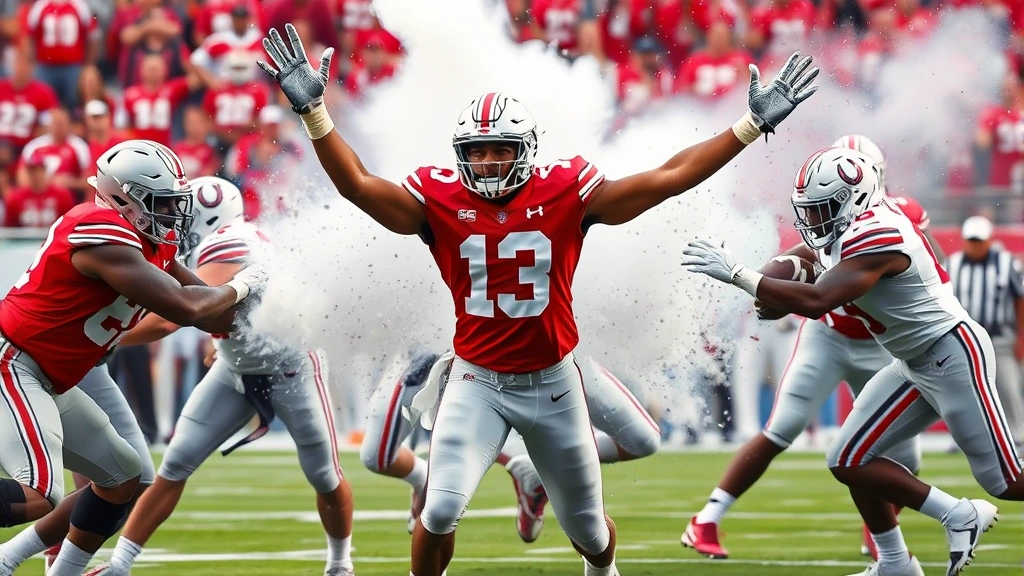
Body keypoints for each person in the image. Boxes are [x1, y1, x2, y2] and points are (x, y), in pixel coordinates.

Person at [259, 23, 818, 576]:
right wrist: (315, 114)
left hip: (553, 382)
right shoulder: (440, 197)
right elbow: (358, 184)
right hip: (475, 380)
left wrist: (748, 127)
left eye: (501, 152)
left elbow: (669, 176)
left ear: (526, 150)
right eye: (477, 154)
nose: (489, 165)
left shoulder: (566, 190)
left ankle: (602, 571)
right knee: (441, 508)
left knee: (589, 531)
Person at [683, 146, 1023, 576]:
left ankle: (958, 515)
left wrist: (740, 274)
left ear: (855, 198)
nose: (815, 219)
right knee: (848, 459)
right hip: (912, 360)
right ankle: (900, 561)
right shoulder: (849, 229)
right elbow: (805, 265)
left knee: (1006, 482)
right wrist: (767, 285)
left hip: (951, 352)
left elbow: (820, 298)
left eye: (823, 208)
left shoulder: (877, 232)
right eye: (810, 209)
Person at [0, 140, 263, 576]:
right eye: (161, 203)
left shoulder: (146, 242)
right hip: (14, 362)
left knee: (125, 477)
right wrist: (245, 284)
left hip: (51, 376)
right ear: (124, 198)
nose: (171, 214)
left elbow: (212, 313)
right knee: (39, 494)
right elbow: (186, 308)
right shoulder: (99, 229)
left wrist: (259, 294)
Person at [86, 176, 355, 576]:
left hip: (290, 370)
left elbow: (173, 319)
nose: (174, 217)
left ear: (208, 215)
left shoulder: (224, 242)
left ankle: (340, 564)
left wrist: (99, 339)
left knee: (324, 474)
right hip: (233, 367)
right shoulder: (238, 237)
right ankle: (120, 565)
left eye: (182, 210)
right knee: (175, 463)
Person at [683, 134, 933, 564]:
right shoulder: (829, 221)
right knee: (783, 427)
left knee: (906, 454)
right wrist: (769, 287)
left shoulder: (899, 220)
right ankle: (707, 517)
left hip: (881, 346)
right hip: (831, 337)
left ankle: (880, 533)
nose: (825, 206)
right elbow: (801, 262)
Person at [360, 350, 660, 540]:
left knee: (642, 439)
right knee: (378, 456)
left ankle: (535, 470)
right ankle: (427, 477)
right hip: (456, 361)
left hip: (552, 357)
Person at [947, 216, 1024, 445]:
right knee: (963, 389)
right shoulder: (953, 264)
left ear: (990, 240)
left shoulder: (1007, 263)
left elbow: (1020, 300)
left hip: (999, 337)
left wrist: (1020, 337)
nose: (975, 245)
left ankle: (1016, 435)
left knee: (1007, 387)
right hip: (964, 338)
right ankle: (966, 438)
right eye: (971, 240)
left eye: (979, 241)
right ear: (964, 241)